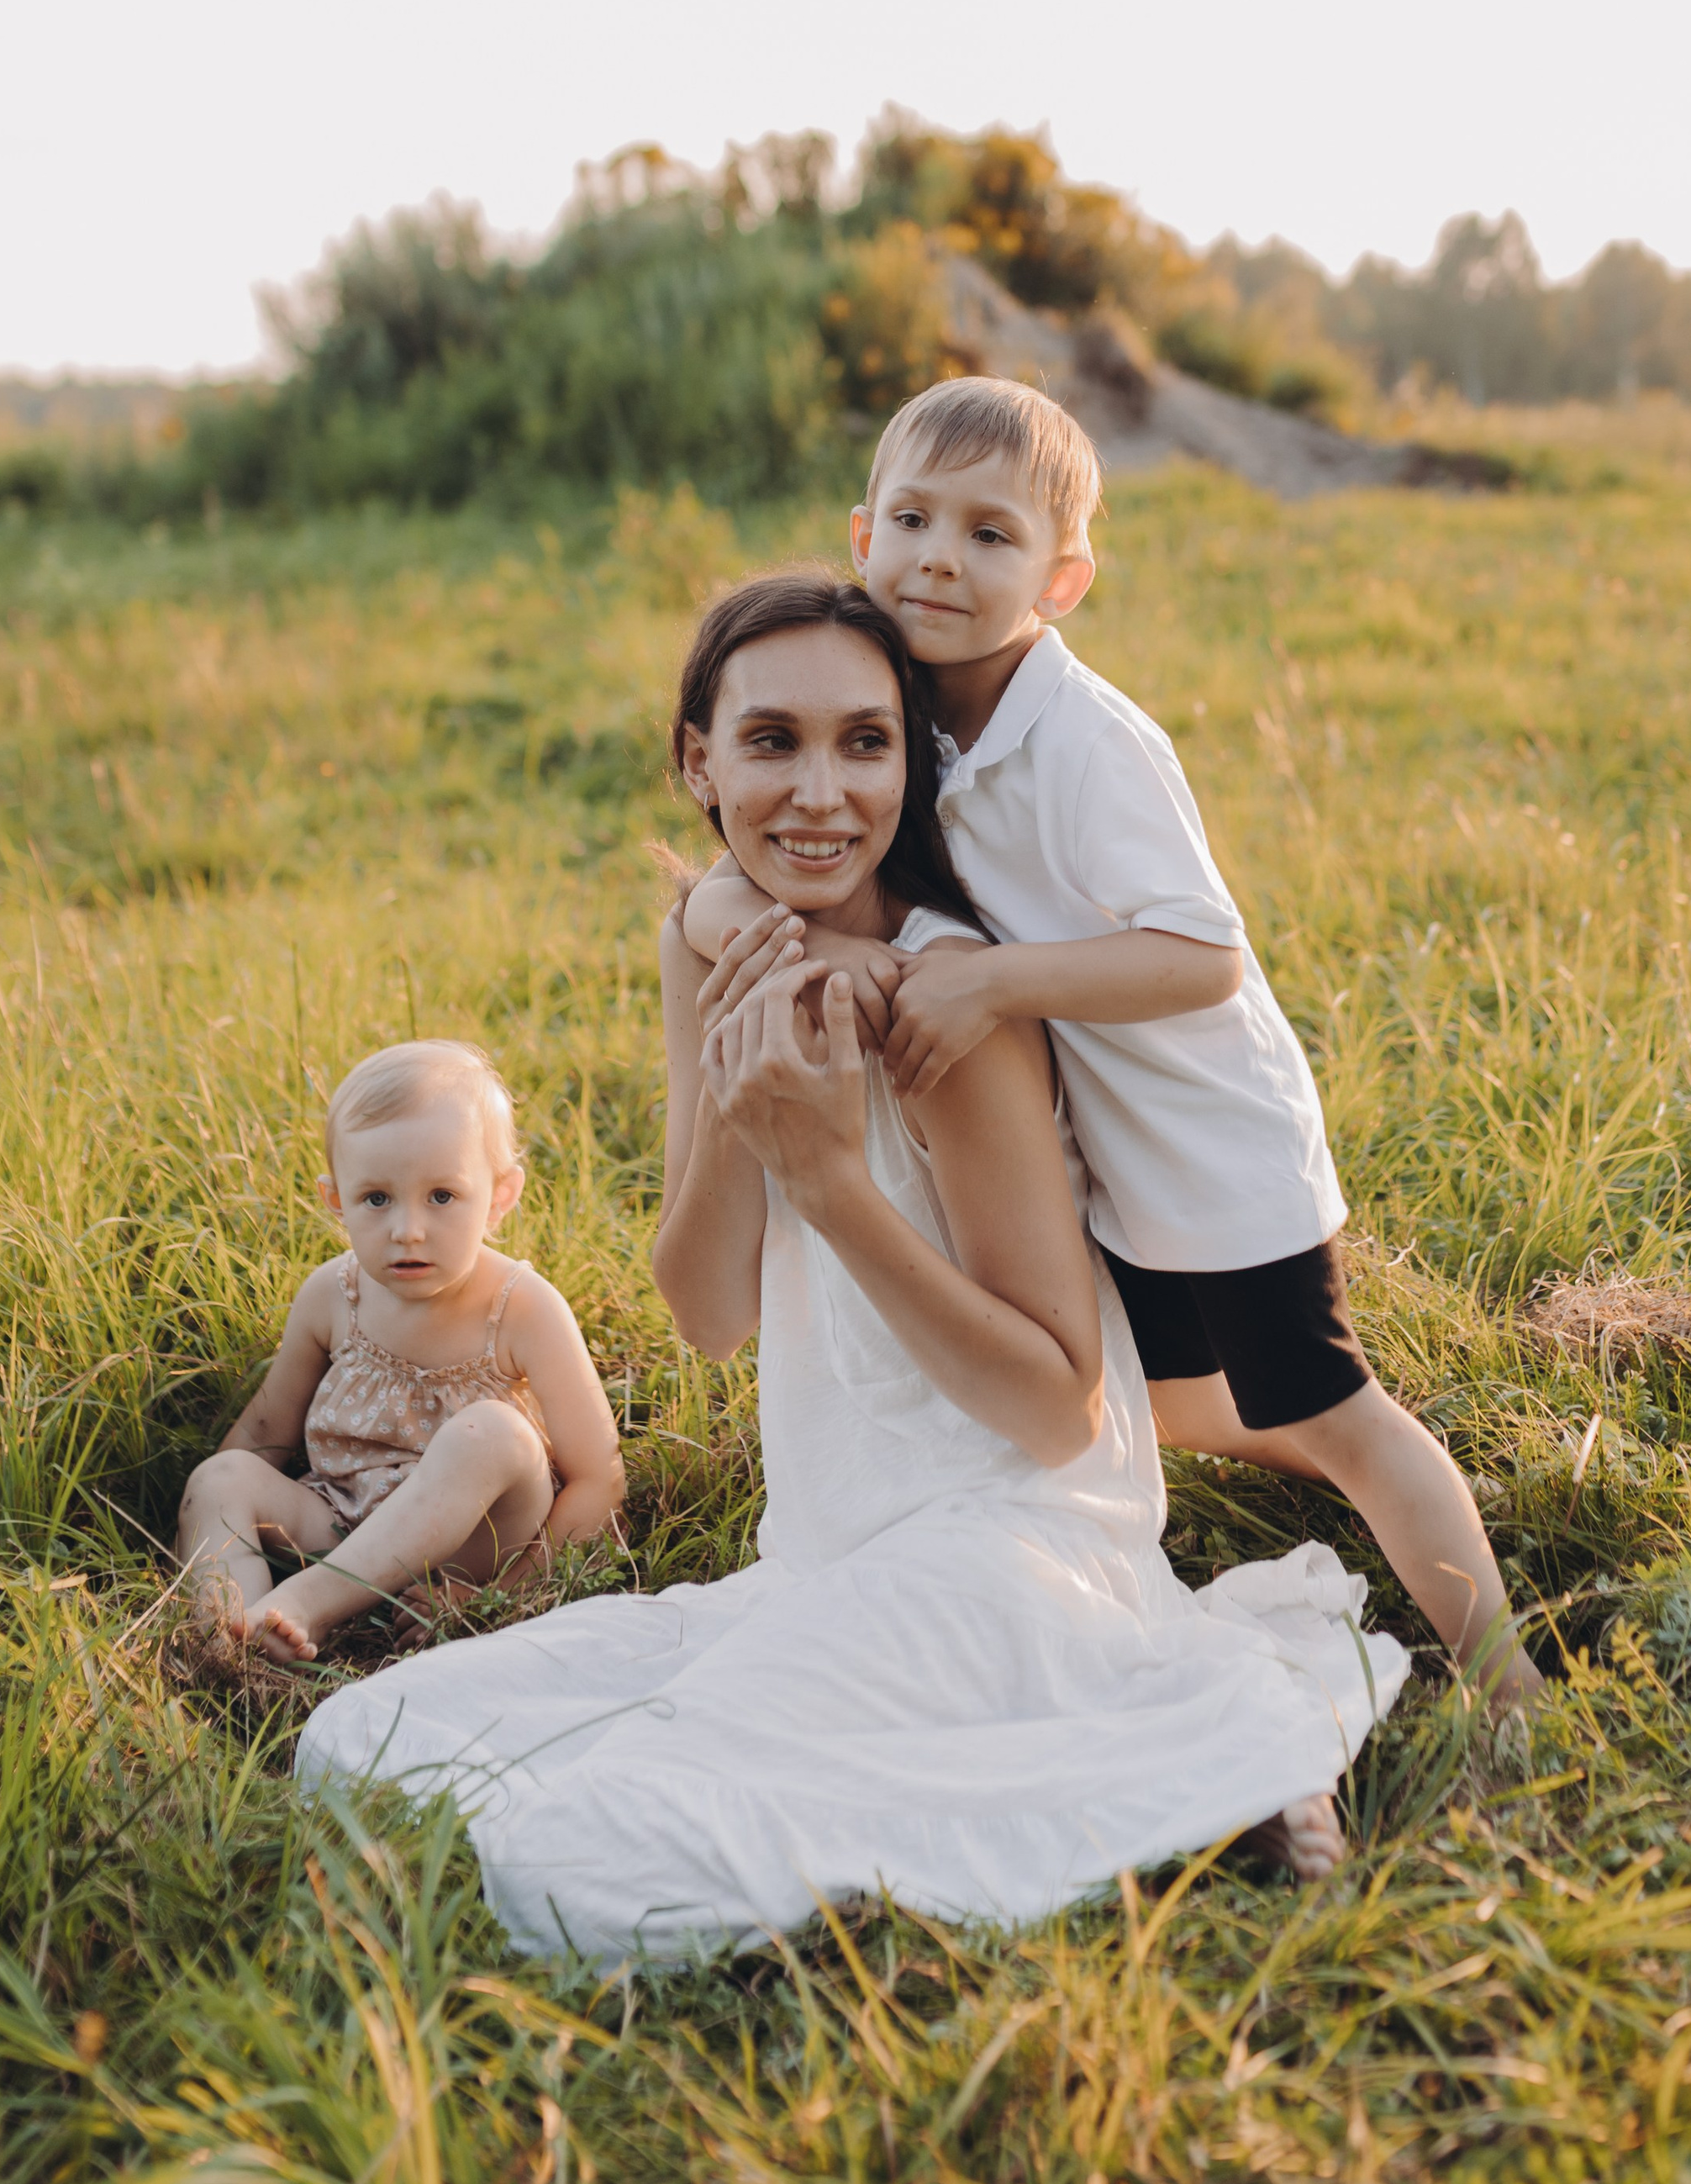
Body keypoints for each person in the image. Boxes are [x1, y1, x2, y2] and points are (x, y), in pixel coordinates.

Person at [297, 576, 1408, 1963]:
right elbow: (708, 1312)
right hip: (825, 1549)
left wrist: (829, 1182)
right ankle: (1164, 1763)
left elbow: (1058, 1411)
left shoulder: (950, 1008)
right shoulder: (706, 947)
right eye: (772, 742)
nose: (820, 791)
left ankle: (1199, 1754)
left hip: (1016, 1540)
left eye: (865, 744)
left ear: (913, 763)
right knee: (370, 1739)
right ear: (697, 760)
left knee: (602, 1852)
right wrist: (743, 1099)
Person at [684, 381, 1541, 1714]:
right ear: (862, 538)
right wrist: (729, 911)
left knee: (1339, 1411)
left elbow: (1205, 956)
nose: (940, 560)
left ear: (1063, 577)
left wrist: (985, 988)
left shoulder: (1086, 740)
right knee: (1187, 1402)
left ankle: (1507, 1677)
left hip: (1209, 1148)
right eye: (912, 520)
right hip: (1103, 1143)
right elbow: (764, 851)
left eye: (989, 535)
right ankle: (1355, 1474)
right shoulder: (909, 697)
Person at [176, 1040, 624, 1664]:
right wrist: (219, 1514)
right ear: (337, 1200)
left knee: (493, 1434)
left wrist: (500, 1593)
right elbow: (265, 1432)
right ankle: (235, 1638)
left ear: (499, 1196)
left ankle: (311, 1603)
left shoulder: (524, 1309)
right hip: (339, 1519)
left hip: (469, 1549)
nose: (408, 1229)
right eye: (377, 1199)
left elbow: (599, 1478)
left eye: (442, 1197)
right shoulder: (333, 1297)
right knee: (221, 1476)